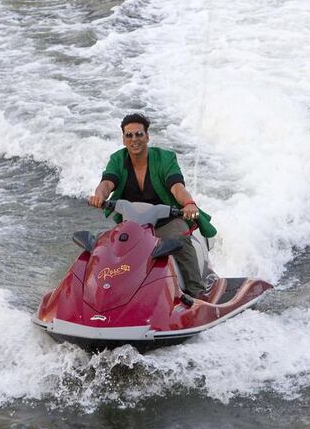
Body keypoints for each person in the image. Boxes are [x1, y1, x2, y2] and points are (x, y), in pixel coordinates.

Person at [88, 113, 216, 298]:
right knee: (107, 246)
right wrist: (99, 195)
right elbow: (107, 183)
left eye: (139, 134)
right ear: (123, 139)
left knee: (178, 239)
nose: (134, 139)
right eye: (129, 135)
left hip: (167, 221)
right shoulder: (117, 159)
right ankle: (107, 294)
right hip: (133, 224)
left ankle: (197, 292)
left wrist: (188, 203)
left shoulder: (164, 158)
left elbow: (177, 187)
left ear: (147, 136)